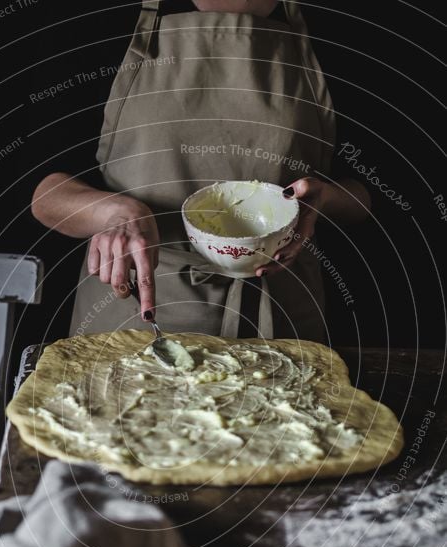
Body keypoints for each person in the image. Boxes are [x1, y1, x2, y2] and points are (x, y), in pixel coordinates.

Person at [32, 0, 371, 341]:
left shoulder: (334, 19)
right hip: (136, 314)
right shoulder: (102, 17)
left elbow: (365, 196)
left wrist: (322, 199)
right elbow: (45, 194)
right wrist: (113, 212)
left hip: (279, 315)